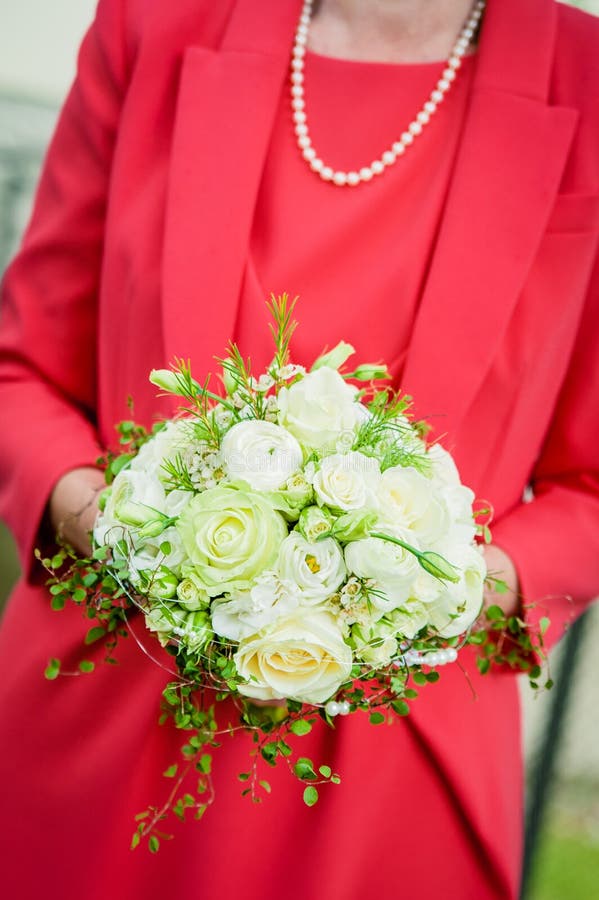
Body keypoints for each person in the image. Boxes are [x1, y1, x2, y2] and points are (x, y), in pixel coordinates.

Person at [0, 0, 598, 897]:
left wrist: (450, 589)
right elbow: (23, 371)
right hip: (104, 717)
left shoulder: (587, 80)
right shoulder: (150, 27)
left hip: (394, 777)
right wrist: (107, 523)